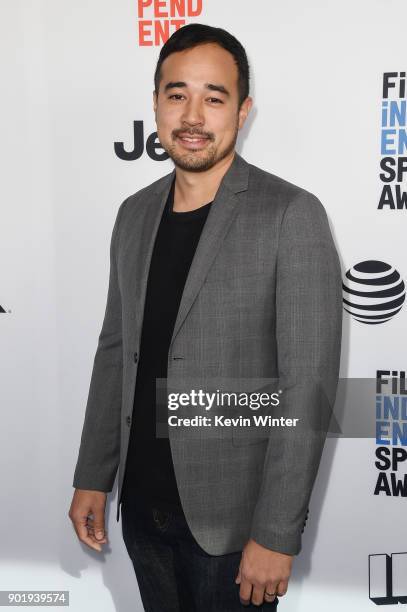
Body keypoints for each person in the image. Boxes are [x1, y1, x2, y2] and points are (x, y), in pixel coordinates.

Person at [69, 23, 342, 611]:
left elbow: (307, 387)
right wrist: (93, 473)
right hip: (142, 512)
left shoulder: (291, 214)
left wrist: (275, 531)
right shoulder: (134, 214)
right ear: (156, 104)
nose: (193, 114)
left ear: (241, 111)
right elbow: (117, 349)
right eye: (177, 94)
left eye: (214, 97)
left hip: (233, 531)